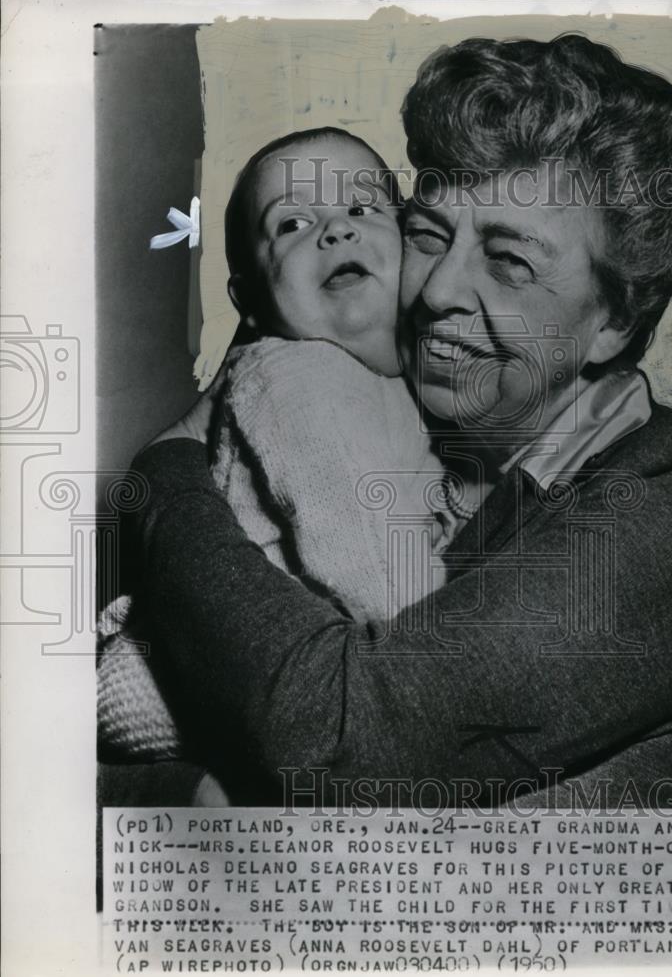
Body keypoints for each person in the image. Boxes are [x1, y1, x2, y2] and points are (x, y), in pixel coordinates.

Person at [119, 34, 672, 808]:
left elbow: (340, 741)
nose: (436, 293)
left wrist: (165, 477)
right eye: (429, 235)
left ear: (615, 321)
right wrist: (186, 788)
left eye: (509, 260)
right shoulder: (368, 425)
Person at [98, 128, 448, 762]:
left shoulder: (397, 383)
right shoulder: (300, 378)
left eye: (362, 209)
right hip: (192, 678)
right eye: (291, 224)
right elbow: (364, 552)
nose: (336, 231)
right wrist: (446, 656)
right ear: (250, 302)